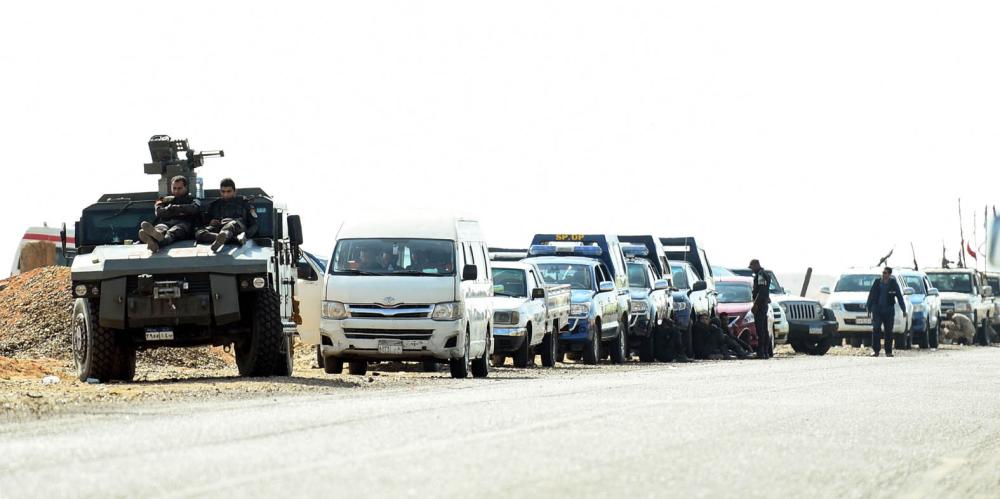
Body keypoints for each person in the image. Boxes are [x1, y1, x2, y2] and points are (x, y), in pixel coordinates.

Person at [138, 175, 201, 253]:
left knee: (174, 231)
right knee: (160, 227)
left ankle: (160, 240)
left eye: (179, 188)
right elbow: (159, 212)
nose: (176, 191)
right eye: (174, 188)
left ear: (186, 188)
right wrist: (176, 210)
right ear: (171, 188)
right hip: (166, 222)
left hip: (184, 225)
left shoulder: (192, 199)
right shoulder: (164, 200)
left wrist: (176, 208)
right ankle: (155, 235)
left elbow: (194, 209)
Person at [195, 178, 257, 252]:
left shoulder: (244, 203)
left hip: (237, 226)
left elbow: (254, 225)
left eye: (229, 191)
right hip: (220, 227)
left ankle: (225, 237)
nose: (226, 194)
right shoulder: (214, 205)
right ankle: (231, 239)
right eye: (223, 191)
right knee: (199, 233)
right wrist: (211, 222)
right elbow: (205, 222)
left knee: (230, 225)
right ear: (220, 191)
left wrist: (246, 235)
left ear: (235, 191)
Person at [865, 267, 908, 357]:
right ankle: (876, 351)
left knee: (888, 331)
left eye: (885, 273)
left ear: (889, 274)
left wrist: (904, 310)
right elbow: (871, 295)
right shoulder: (877, 282)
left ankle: (888, 351)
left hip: (888, 310)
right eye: (883, 273)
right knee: (876, 329)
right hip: (877, 310)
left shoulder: (893, 283)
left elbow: (899, 297)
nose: (883, 274)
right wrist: (868, 308)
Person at [749, 259, 773, 359]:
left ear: (756, 265)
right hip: (763, 304)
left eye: (752, 267)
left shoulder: (760, 274)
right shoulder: (764, 274)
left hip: (760, 305)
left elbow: (762, 291)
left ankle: (761, 352)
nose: (752, 270)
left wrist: (756, 304)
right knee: (764, 329)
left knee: (761, 330)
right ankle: (766, 352)